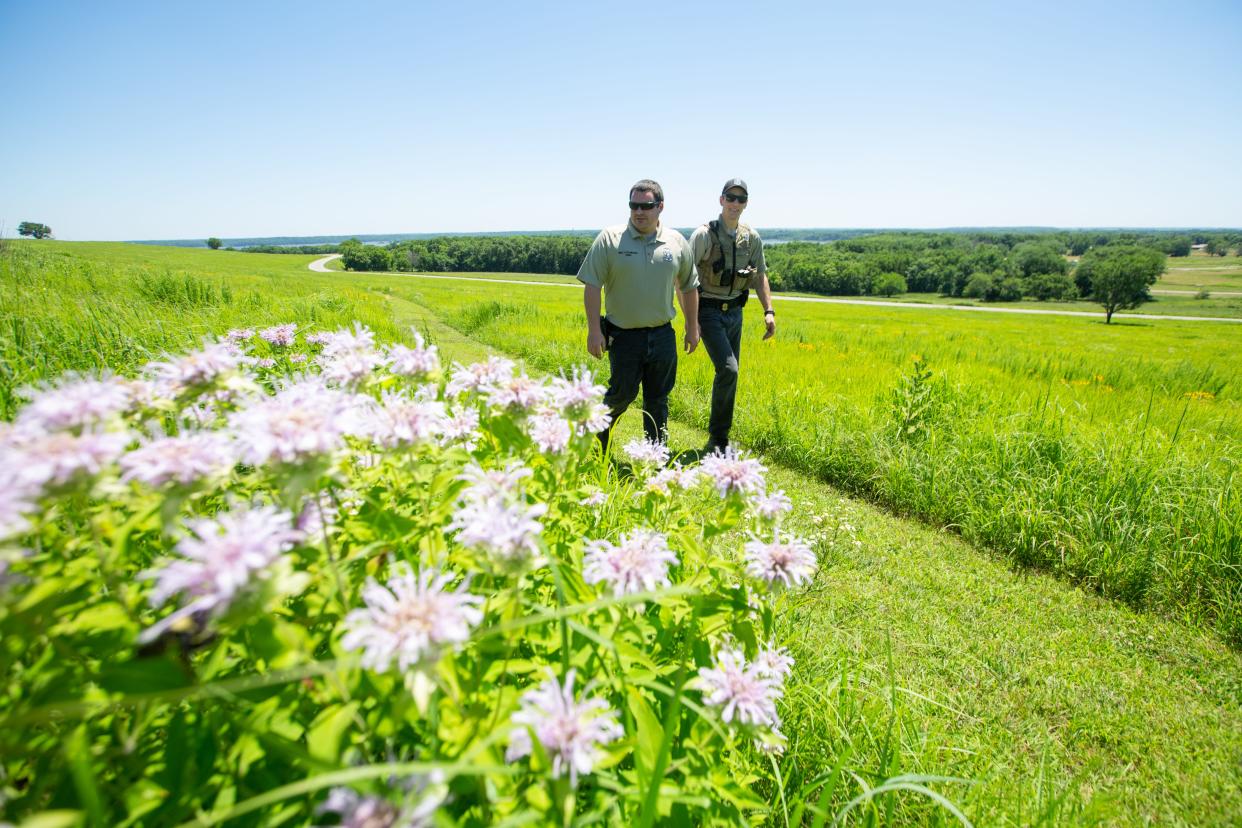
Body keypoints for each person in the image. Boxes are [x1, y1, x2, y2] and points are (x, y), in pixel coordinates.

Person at [577, 179, 700, 451]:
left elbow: (689, 287)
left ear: (660, 207)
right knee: (622, 395)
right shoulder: (610, 239)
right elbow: (592, 285)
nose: (639, 212)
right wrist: (594, 331)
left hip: (662, 334)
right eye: (634, 205)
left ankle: (655, 456)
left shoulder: (676, 241)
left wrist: (693, 327)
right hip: (623, 336)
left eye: (646, 206)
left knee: (658, 399)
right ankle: (597, 441)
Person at [688, 178, 775, 455]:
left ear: (746, 203)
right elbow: (685, 278)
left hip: (736, 312)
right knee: (728, 369)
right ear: (721, 200)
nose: (735, 203)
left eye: (741, 199)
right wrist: (692, 322)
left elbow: (760, 275)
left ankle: (720, 436)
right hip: (709, 310)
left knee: (730, 375)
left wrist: (769, 311)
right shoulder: (704, 235)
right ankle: (718, 438)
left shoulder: (751, 238)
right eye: (731, 197)